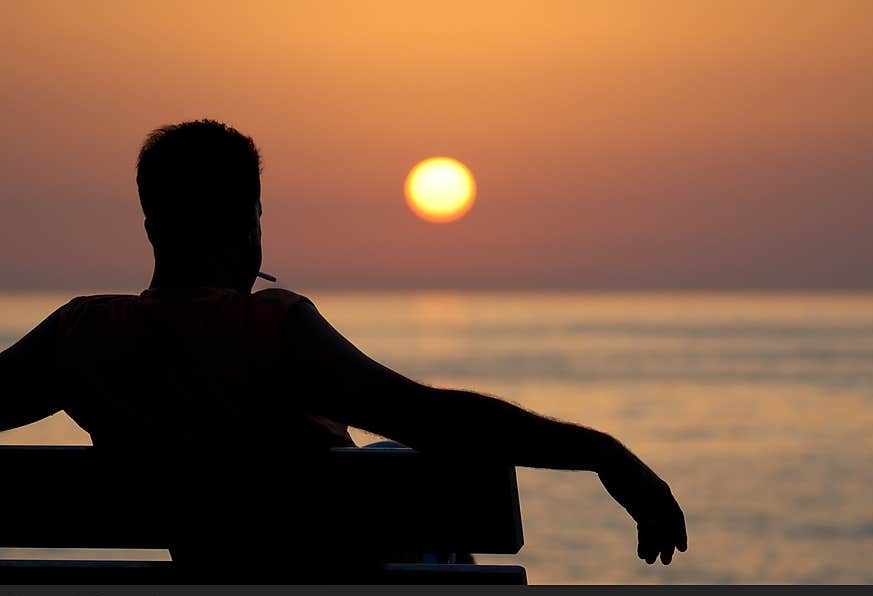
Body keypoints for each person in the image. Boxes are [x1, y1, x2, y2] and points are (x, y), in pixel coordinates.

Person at [0, 119, 686, 566]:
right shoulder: (271, 326)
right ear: (249, 225)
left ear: (152, 226)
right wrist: (602, 451)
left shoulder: (80, 334)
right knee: (411, 464)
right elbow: (433, 417)